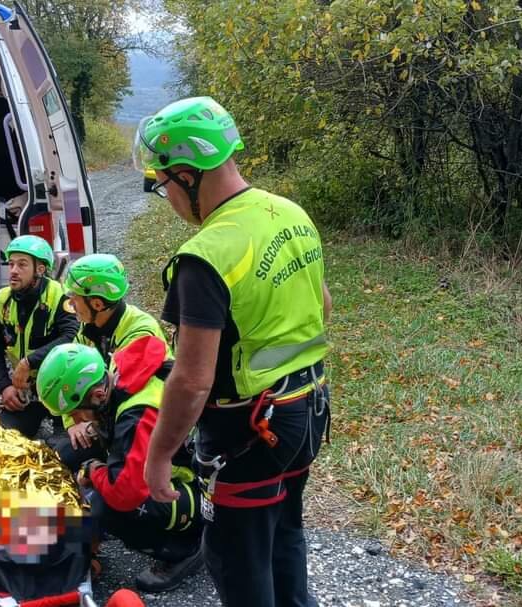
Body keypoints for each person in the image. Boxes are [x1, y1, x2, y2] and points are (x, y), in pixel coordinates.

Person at [134, 97, 333, 607]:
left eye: (163, 185)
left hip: (250, 431)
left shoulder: (207, 255)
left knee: (238, 561)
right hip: (307, 408)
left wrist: (158, 458)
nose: (169, 198)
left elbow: (192, 380)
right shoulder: (289, 213)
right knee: (283, 535)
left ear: (186, 173)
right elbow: (322, 306)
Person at [37, 340, 203, 593]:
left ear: (98, 395)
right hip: (176, 462)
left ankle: (184, 548)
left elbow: (125, 494)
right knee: (72, 452)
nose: (76, 419)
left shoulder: (137, 414)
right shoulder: (119, 374)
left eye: (77, 411)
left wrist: (93, 469)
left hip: (201, 487)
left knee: (108, 507)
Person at [50, 253, 172, 471]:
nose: (70, 304)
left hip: (141, 428)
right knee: (62, 454)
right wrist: (73, 422)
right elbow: (70, 374)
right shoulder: (89, 325)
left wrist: (91, 424)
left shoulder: (140, 332)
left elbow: (120, 397)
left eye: (74, 298)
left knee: (69, 459)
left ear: (96, 303)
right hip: (111, 420)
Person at [0, 235, 78, 437]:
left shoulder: (60, 296)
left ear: (40, 270)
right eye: (11, 264)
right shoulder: (2, 299)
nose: (14, 271)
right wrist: (4, 387)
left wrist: (28, 362)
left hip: (62, 386)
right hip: (27, 392)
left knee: (64, 449)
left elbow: (72, 336)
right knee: (5, 439)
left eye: (22, 265)